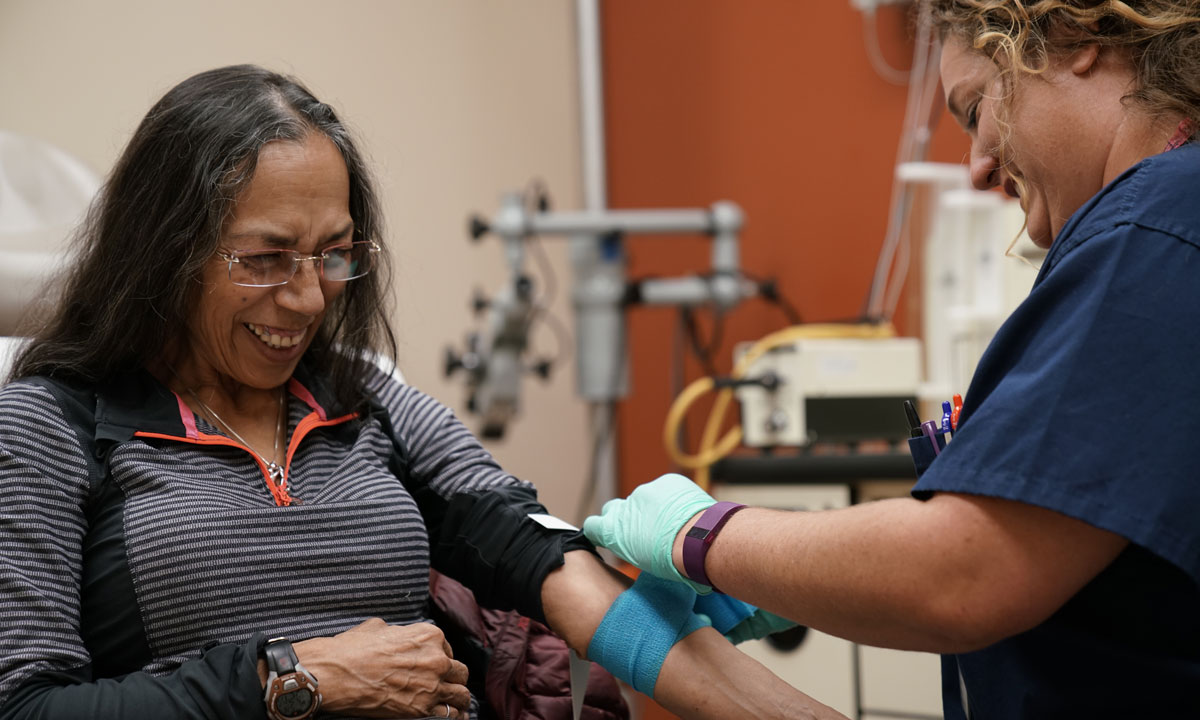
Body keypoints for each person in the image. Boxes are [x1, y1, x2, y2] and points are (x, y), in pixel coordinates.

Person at [0, 65, 846, 720]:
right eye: (264, 259)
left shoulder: (364, 398)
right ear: (164, 253)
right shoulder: (52, 425)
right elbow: (23, 703)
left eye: (333, 253)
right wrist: (297, 680)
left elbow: (538, 552)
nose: (306, 298)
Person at [584, 1, 1200, 718]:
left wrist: (702, 535)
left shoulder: (1154, 231)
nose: (974, 167)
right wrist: (808, 573)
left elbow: (963, 571)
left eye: (972, 112)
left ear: (1072, 34)